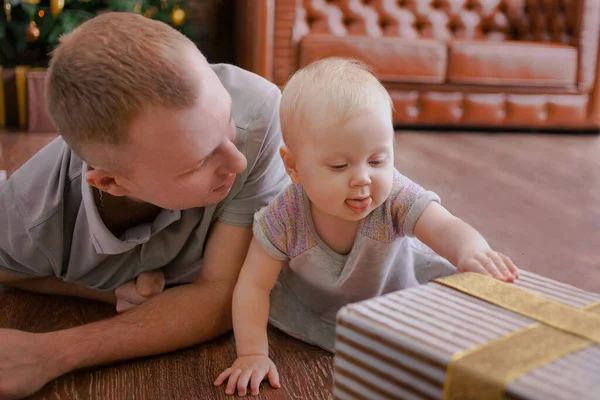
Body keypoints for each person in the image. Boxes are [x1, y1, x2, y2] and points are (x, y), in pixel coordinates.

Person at [0, 12, 290, 399]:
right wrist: (104, 292)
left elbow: (225, 293)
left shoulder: (258, 109)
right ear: (111, 183)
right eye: (199, 162)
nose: (238, 161)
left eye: (225, 121)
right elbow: (7, 270)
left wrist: (53, 353)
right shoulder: (28, 215)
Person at [213, 58, 520, 396]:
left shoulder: (395, 197)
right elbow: (253, 286)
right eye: (339, 165)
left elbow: (446, 227)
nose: (362, 178)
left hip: (397, 303)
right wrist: (253, 353)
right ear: (294, 166)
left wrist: (472, 250)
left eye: (377, 160)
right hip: (313, 312)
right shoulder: (284, 216)